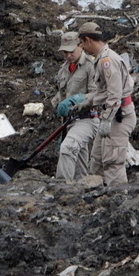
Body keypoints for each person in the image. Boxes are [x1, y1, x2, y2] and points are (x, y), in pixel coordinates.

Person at [74, 22, 136, 186]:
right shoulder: (102, 58)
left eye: (81, 43)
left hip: (118, 117)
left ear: (87, 40)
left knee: (112, 161)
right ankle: (98, 199)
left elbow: (115, 95)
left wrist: (107, 120)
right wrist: (88, 102)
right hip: (110, 115)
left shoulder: (107, 60)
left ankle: (119, 199)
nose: (82, 48)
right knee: (97, 160)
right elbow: (104, 91)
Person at [51, 32, 99, 182]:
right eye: (65, 52)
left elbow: (97, 93)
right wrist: (58, 102)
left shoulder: (91, 66)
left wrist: (77, 100)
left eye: (71, 51)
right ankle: (80, 193)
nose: (68, 55)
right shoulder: (64, 68)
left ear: (80, 46)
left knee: (68, 147)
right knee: (79, 162)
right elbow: (61, 92)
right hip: (69, 121)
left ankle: (61, 186)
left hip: (87, 118)